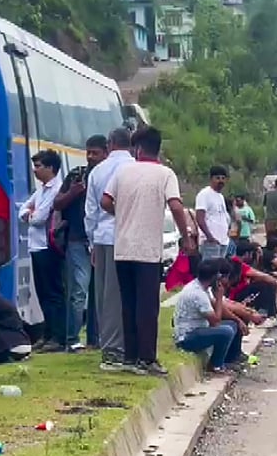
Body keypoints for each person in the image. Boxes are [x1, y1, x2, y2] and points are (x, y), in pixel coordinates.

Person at [101, 127, 194, 376]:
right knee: (148, 306)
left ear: (138, 149)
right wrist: (186, 236)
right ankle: (147, 358)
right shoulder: (165, 174)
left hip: (122, 248)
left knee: (128, 304)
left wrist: (121, 215)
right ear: (157, 148)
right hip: (147, 251)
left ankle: (130, 357)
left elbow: (105, 201)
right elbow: (175, 205)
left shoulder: (122, 171)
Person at [86, 128, 136, 371]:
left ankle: (110, 347)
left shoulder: (98, 171)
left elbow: (91, 212)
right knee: (127, 294)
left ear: (110, 144)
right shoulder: (136, 168)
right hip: (131, 237)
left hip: (104, 237)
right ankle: (125, 345)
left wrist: (91, 242)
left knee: (106, 297)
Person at [53, 135, 108, 351]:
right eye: (89, 153)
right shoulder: (77, 175)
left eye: (95, 153)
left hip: (101, 240)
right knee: (78, 292)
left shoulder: (110, 176)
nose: (91, 157)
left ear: (106, 152)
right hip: (78, 239)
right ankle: (72, 339)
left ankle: (95, 338)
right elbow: (57, 203)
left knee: (99, 292)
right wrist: (73, 193)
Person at [18, 149, 65, 352]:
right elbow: (22, 210)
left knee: (52, 292)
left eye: (38, 166)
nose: (35, 170)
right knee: (42, 293)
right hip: (36, 246)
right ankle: (47, 334)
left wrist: (30, 215)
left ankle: (57, 336)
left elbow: (39, 218)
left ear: (50, 168)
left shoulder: (55, 190)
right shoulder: (41, 190)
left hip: (48, 246)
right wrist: (30, 214)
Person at [173, 259, 242, 375]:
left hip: (199, 328)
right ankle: (216, 365)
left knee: (232, 325)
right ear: (213, 277)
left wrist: (238, 318)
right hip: (187, 337)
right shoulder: (198, 294)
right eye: (219, 275)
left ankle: (227, 360)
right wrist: (219, 297)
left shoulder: (200, 287)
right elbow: (215, 321)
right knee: (226, 331)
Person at [195, 166, 231, 261]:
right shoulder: (204, 194)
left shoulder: (220, 197)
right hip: (210, 243)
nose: (221, 181)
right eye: (217, 178)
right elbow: (200, 218)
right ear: (211, 179)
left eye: (223, 178)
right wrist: (210, 237)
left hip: (223, 242)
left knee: (219, 273)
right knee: (211, 272)